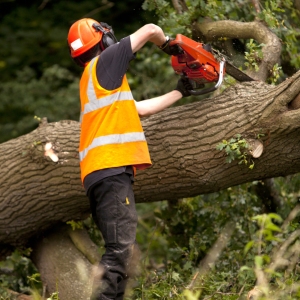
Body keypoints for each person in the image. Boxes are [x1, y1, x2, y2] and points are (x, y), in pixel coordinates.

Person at [67, 18, 192, 300]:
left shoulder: (95, 78)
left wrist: (180, 91)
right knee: (120, 251)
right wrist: (169, 45)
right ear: (104, 41)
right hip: (110, 169)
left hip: (101, 174)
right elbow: (149, 29)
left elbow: (139, 109)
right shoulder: (106, 62)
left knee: (120, 250)